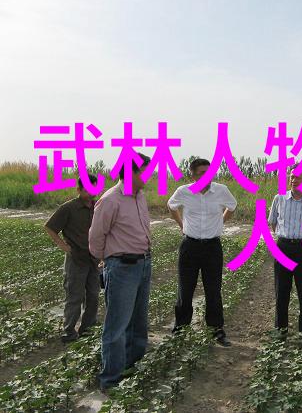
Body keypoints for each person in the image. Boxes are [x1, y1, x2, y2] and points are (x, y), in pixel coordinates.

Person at [89, 153, 152, 392]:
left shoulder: (140, 197)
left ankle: (131, 367)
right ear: (131, 172)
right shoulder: (110, 200)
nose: (149, 175)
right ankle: (110, 379)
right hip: (122, 267)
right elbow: (96, 237)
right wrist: (107, 261)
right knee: (117, 326)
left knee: (138, 322)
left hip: (143, 263)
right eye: (145, 171)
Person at [167, 158, 237, 347]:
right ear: (193, 175)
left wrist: (221, 221)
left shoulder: (221, 190)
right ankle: (180, 329)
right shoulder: (183, 192)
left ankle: (216, 330)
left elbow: (232, 206)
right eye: (202, 173)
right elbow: (171, 206)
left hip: (212, 247)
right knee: (185, 289)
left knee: (213, 290)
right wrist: (181, 224)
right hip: (189, 246)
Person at [45, 176, 100, 343]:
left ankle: (88, 328)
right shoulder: (69, 208)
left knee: (93, 295)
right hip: (76, 259)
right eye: (88, 189)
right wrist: (64, 246)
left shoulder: (98, 206)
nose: (91, 192)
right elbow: (50, 227)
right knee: (74, 296)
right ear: (79, 190)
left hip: (93, 259)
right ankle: (69, 332)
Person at [268, 164, 302, 345]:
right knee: (281, 292)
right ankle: (280, 333)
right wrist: (286, 239)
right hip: (283, 248)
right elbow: (273, 223)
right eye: (291, 176)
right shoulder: (279, 199)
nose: (293, 179)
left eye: (297, 176)